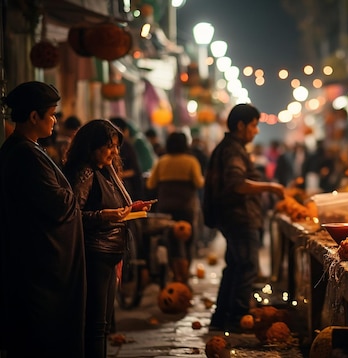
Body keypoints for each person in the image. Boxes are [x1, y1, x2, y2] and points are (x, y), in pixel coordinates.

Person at [0, 81, 87, 357]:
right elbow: (59, 202)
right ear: (34, 116)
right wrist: (76, 188)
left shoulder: (32, 149)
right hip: (39, 268)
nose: (55, 120)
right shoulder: (24, 154)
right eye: (51, 114)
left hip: (45, 265)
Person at [63, 119, 151, 358]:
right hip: (95, 254)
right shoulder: (85, 172)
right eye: (109, 146)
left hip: (110, 253)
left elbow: (114, 205)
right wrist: (104, 216)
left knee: (102, 324)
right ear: (92, 146)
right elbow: (72, 216)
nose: (114, 152)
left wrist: (133, 209)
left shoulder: (107, 170)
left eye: (116, 146)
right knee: (96, 325)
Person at [203, 103, 285, 331]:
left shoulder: (229, 147)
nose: (256, 131)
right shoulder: (232, 150)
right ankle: (237, 316)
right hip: (239, 217)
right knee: (247, 266)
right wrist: (270, 187)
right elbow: (237, 184)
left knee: (235, 265)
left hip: (234, 217)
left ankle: (221, 317)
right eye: (253, 125)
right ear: (241, 126)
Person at [146, 131, 205, 283]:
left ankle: (171, 270)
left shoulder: (162, 161)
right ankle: (184, 275)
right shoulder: (190, 161)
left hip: (165, 208)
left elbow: (150, 183)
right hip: (186, 208)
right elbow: (199, 183)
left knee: (170, 239)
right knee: (187, 240)